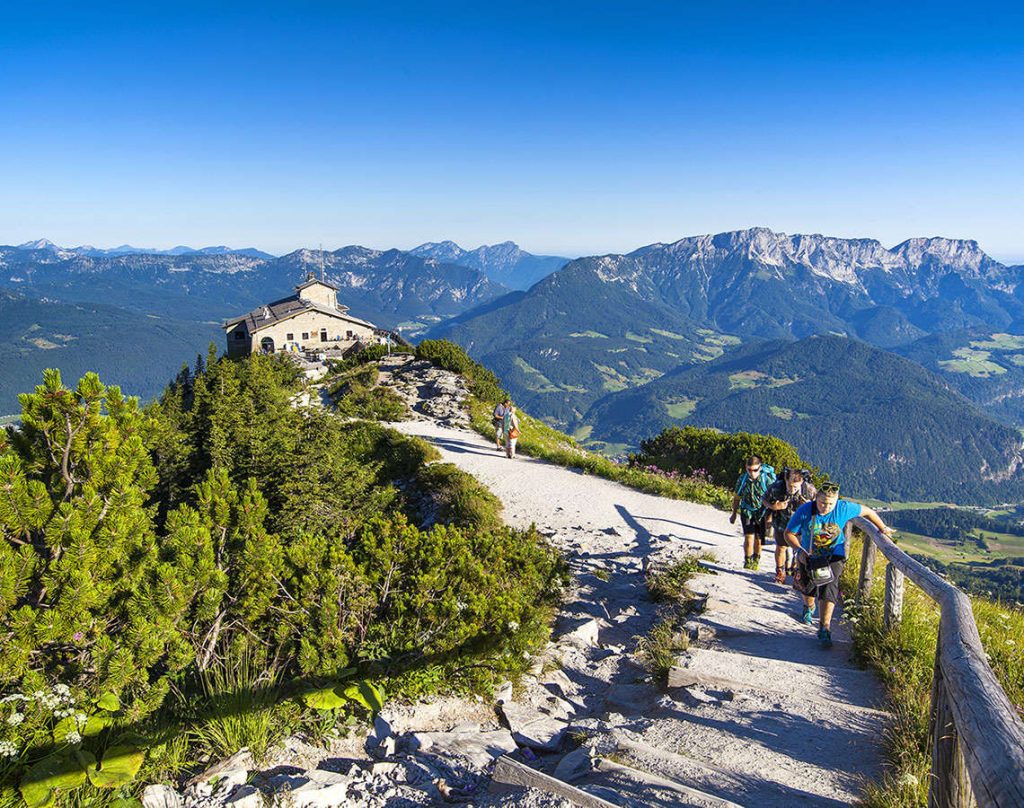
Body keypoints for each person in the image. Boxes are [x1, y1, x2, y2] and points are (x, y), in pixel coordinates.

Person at [784, 482, 893, 647]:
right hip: (809, 555)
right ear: (816, 499)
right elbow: (789, 533)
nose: (826, 507)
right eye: (822, 503)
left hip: (834, 554)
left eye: (830, 504)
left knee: (830, 585)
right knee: (809, 588)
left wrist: (883, 528)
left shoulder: (843, 508)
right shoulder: (805, 511)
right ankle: (809, 606)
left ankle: (825, 627)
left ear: (836, 501)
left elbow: (868, 512)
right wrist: (799, 550)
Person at [763, 468, 817, 584]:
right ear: (785, 481)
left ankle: (797, 572)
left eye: (795, 487)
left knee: (800, 549)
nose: (792, 490)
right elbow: (764, 499)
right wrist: (774, 507)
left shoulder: (809, 490)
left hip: (801, 525)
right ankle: (780, 571)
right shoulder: (777, 487)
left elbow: (820, 508)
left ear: (802, 482)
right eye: (789, 486)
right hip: (782, 522)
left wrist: (809, 506)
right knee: (781, 547)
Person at [730, 455, 776, 570]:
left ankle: (756, 560)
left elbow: (774, 499)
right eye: (749, 470)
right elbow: (737, 497)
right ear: (746, 468)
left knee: (759, 539)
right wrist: (734, 513)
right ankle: (748, 560)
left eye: (755, 470)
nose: (752, 473)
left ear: (760, 468)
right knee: (749, 538)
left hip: (762, 512)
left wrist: (770, 517)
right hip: (747, 511)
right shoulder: (743, 479)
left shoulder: (767, 480)